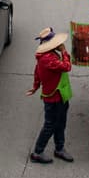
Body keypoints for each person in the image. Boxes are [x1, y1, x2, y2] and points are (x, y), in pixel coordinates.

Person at [27, 27, 73, 163]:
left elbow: (37, 72)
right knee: (50, 125)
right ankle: (38, 152)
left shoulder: (48, 54)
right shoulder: (47, 59)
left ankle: (59, 148)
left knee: (61, 123)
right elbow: (66, 66)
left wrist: (35, 87)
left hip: (61, 95)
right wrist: (64, 51)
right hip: (53, 98)